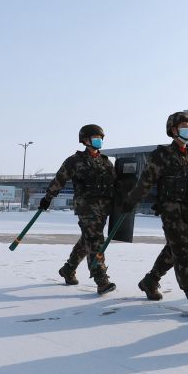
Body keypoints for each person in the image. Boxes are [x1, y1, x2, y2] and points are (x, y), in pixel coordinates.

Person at [122, 112, 188, 314]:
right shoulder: (162, 155)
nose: (187, 129)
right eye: (183, 126)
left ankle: (150, 281)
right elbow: (145, 181)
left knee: (173, 251)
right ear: (172, 130)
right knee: (183, 252)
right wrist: (131, 201)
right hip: (172, 211)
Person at [38, 124, 117, 295]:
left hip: (103, 208)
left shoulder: (106, 162)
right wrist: (48, 198)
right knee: (96, 241)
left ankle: (68, 269)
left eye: (100, 137)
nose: (99, 140)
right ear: (85, 140)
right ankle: (101, 279)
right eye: (95, 137)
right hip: (86, 207)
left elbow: (115, 184)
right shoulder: (75, 161)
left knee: (87, 241)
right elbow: (60, 179)